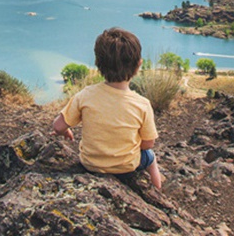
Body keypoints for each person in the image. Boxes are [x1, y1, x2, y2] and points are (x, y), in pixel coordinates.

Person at [52, 27, 163, 189]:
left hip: (90, 164)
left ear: (98, 64)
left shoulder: (85, 95)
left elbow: (58, 126)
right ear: (138, 65)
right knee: (151, 158)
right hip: (126, 167)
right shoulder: (142, 104)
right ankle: (157, 192)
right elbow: (148, 144)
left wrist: (65, 131)